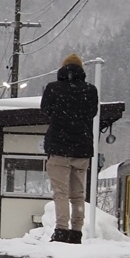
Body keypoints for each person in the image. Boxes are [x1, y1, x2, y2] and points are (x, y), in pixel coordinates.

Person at [40, 53, 99, 244]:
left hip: (58, 148)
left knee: (61, 193)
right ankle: (76, 231)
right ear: (81, 69)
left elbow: (46, 110)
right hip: (82, 149)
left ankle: (61, 230)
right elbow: (92, 112)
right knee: (78, 194)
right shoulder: (90, 90)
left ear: (62, 69)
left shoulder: (53, 89)